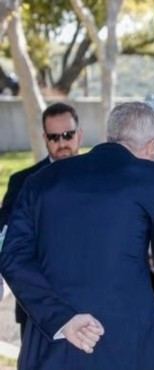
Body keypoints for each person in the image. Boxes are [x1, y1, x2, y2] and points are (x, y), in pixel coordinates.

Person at [0, 102, 154, 370]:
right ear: (153, 146)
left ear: (111, 136)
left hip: (52, 338)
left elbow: (13, 257)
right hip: (126, 340)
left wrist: (61, 319)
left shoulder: (42, 180)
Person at [0, 102, 83, 339]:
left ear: (80, 135)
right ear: (45, 139)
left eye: (68, 135)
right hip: (37, 306)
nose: (62, 143)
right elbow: (7, 241)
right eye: (54, 137)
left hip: (90, 299)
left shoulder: (101, 180)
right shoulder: (22, 181)